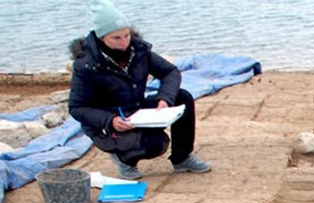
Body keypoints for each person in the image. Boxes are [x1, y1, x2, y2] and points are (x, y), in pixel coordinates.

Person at [68, 0, 211, 180]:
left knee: (183, 97)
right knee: (156, 144)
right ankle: (124, 159)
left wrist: (164, 98)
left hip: (135, 107)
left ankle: (182, 158)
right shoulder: (86, 65)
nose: (124, 42)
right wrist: (110, 121)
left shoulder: (139, 50)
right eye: (117, 38)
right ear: (101, 38)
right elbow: (76, 108)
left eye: (127, 35)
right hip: (109, 120)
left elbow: (170, 72)